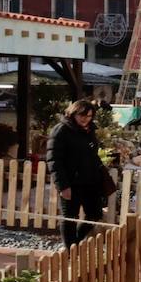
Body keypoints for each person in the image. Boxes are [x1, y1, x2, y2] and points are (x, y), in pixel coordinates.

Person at [47, 99, 110, 248]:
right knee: (69, 217)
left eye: (89, 116)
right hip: (71, 182)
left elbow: (92, 154)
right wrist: (62, 185)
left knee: (95, 214)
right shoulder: (61, 130)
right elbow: (54, 160)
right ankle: (70, 250)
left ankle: (76, 241)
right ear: (73, 113)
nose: (85, 119)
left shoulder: (90, 130)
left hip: (90, 181)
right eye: (82, 115)